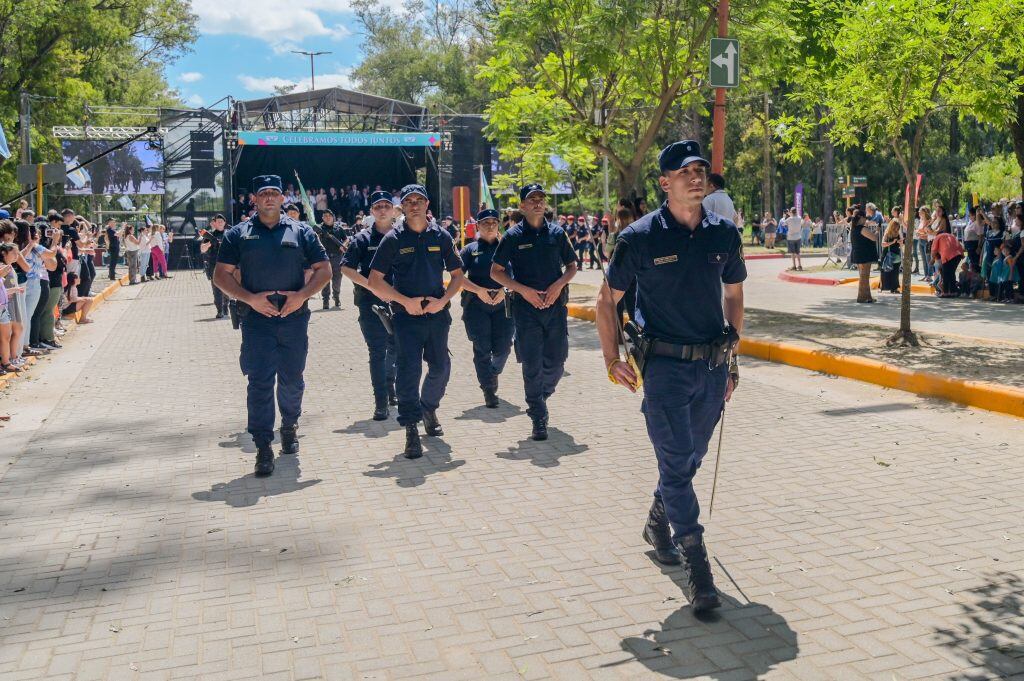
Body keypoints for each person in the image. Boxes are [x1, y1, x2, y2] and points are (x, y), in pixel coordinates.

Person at [595, 140, 745, 612]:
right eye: (685, 172)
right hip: (661, 368)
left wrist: (733, 353)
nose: (696, 177)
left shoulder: (723, 233)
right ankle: (697, 566)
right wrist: (610, 357)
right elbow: (606, 301)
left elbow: (735, 295)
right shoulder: (639, 237)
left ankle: (659, 520)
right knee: (678, 461)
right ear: (665, 182)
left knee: (690, 459)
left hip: (711, 366)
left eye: (700, 169)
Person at [213, 175, 332, 477]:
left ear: (282, 198)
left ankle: (289, 426)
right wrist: (250, 299)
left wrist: (302, 296)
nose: (268, 198)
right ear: (254, 198)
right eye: (263, 193)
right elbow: (221, 275)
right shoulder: (237, 234)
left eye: (274, 193)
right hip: (257, 321)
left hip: (294, 319)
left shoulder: (302, 231)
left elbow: (325, 270)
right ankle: (263, 445)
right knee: (260, 383)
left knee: (293, 379)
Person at [367, 184, 465, 459]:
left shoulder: (441, 236)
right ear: (403, 206)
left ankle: (429, 408)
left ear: (426, 203)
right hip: (405, 317)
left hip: (436, 314)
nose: (413, 205)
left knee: (440, 367)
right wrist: (404, 301)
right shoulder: (394, 239)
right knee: (408, 372)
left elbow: (458, 275)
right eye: (408, 201)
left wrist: (444, 300)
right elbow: (375, 281)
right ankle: (411, 428)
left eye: (418, 200)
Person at [490, 183, 579, 441]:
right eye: (532, 199)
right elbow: (495, 271)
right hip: (526, 309)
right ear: (523, 205)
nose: (538, 203)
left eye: (541, 198)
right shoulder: (513, 236)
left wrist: (557, 285)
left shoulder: (558, 234)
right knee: (531, 364)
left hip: (555, 307)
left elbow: (572, 266)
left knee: (557, 362)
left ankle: (541, 395)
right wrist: (524, 290)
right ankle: (538, 416)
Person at [340, 191, 399, 420]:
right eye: (378, 207)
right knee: (377, 352)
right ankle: (381, 401)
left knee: (397, 349)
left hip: (400, 303)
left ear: (393, 210)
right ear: (372, 212)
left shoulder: (402, 236)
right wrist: (374, 287)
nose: (383, 209)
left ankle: (390, 386)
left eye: (386, 205)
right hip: (371, 304)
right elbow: (346, 268)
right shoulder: (362, 239)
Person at [459, 209, 515, 408]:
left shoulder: (509, 246)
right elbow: (458, 278)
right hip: (477, 306)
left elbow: (520, 275)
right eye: (485, 222)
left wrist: (505, 288)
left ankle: (492, 373)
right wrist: (479, 290)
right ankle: (488, 390)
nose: (490, 225)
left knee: (504, 347)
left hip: (504, 306)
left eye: (493, 222)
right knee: (482, 348)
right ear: (478, 226)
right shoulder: (469, 249)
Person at [315, 209, 347, 310]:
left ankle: (336, 296)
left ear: (333, 217)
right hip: (324, 257)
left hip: (337, 256)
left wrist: (344, 245)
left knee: (337, 278)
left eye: (329, 215)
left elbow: (346, 239)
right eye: (325, 216)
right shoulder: (318, 228)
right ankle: (325, 300)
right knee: (325, 279)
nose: (327, 217)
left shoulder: (339, 228)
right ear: (322, 218)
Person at [200, 214, 230, 318]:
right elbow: (202, 249)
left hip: (227, 266)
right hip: (214, 265)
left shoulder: (229, 234)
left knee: (227, 289)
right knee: (216, 289)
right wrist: (210, 244)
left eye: (222, 221)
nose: (220, 222)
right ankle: (219, 310)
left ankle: (226, 307)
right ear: (215, 223)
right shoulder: (210, 235)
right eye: (218, 221)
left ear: (225, 223)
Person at [849, 207, 878, 303]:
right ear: (861, 218)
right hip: (864, 255)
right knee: (864, 277)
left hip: (859, 254)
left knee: (864, 277)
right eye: (865, 217)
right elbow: (874, 238)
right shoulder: (861, 229)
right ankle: (861, 297)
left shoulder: (854, 228)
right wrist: (877, 232)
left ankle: (868, 297)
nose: (866, 219)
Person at [931, 218, 964, 298]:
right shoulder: (950, 235)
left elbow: (934, 250)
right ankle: (953, 292)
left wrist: (932, 259)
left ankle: (945, 292)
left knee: (946, 274)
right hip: (958, 253)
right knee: (951, 273)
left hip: (948, 254)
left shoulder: (937, 237)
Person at [879, 212, 903, 294]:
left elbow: (901, 244)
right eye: (896, 227)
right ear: (892, 226)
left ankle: (894, 288)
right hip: (887, 255)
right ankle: (882, 287)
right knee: (885, 271)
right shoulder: (887, 233)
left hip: (896, 255)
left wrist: (900, 242)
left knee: (895, 272)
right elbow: (883, 244)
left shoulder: (898, 233)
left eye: (898, 227)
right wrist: (892, 242)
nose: (897, 228)